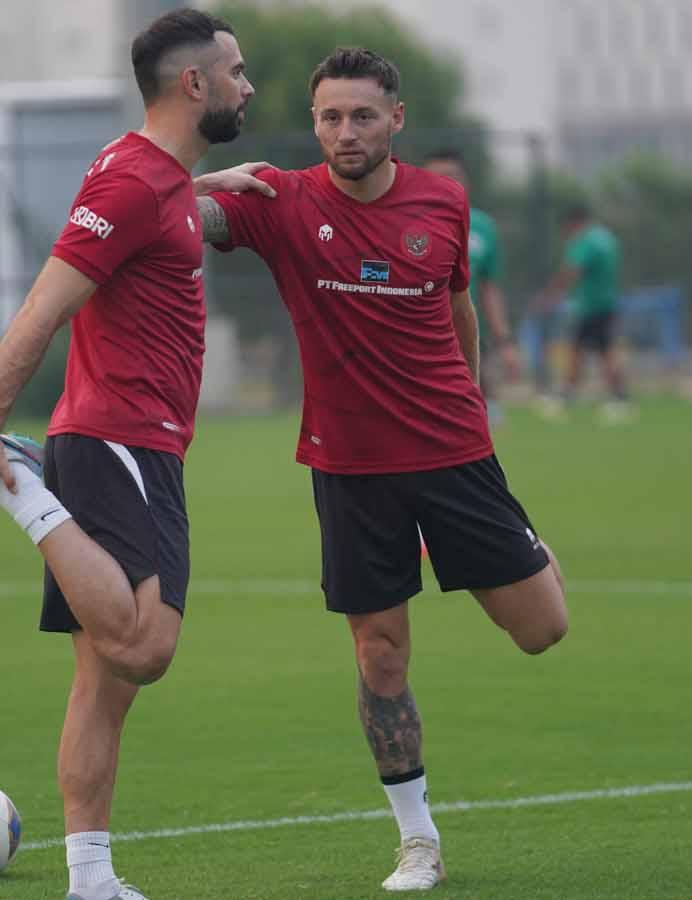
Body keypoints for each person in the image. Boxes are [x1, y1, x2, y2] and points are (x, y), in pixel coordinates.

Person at [0, 10, 259, 900]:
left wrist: (216, 182)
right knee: (144, 646)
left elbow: (159, 205)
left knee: (104, 686)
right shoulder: (138, 180)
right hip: (115, 436)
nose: (248, 85)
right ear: (194, 86)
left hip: (138, 441)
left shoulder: (156, 176)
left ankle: (89, 880)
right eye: (237, 71)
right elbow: (44, 305)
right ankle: (18, 486)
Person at [197, 48, 568, 892]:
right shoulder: (280, 201)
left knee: (543, 631)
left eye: (362, 115)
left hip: (455, 454)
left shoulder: (444, 202)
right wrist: (220, 177)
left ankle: (524, 541)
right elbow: (147, 210)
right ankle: (418, 840)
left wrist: (475, 399)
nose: (344, 131)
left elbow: (459, 304)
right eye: (329, 116)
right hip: (350, 467)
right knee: (382, 655)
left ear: (396, 119)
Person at [421, 150, 520, 424]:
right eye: (436, 177)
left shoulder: (483, 227)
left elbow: (490, 287)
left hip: (466, 329)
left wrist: (504, 339)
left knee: (479, 402)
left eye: (452, 176)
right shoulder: (405, 223)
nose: (444, 183)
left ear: (467, 182)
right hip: (419, 336)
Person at [540, 204, 629, 422]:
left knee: (584, 350)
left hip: (590, 305)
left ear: (573, 224)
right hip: (607, 302)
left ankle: (576, 395)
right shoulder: (606, 238)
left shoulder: (585, 241)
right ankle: (615, 396)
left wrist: (551, 296)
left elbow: (572, 270)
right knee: (600, 349)